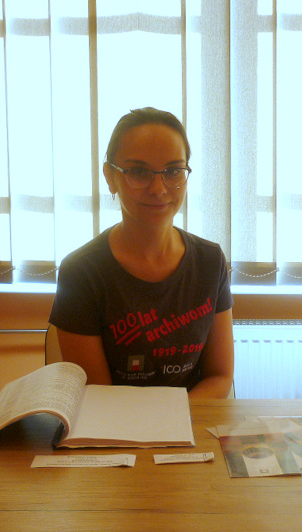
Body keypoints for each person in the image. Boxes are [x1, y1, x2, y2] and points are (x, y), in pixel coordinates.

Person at [49, 107, 234, 399]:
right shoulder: (81, 272)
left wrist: (174, 420)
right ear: (110, 176)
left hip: (190, 420)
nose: (158, 188)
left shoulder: (210, 261)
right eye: (138, 171)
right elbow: (99, 397)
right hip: (113, 423)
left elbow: (220, 377)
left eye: (173, 171)